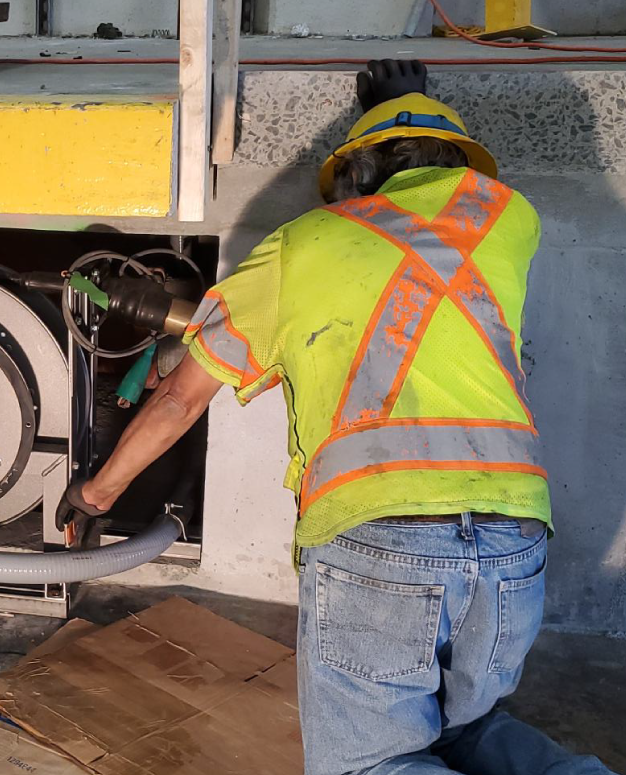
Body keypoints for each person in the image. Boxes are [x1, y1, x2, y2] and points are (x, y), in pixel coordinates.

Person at [63, 60, 617, 775]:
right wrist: (404, 107)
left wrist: (96, 493)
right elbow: (426, 221)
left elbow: (178, 398)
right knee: (469, 730)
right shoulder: (510, 218)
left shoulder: (300, 247)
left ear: (352, 179)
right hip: (513, 539)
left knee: (370, 763)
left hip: (379, 538)